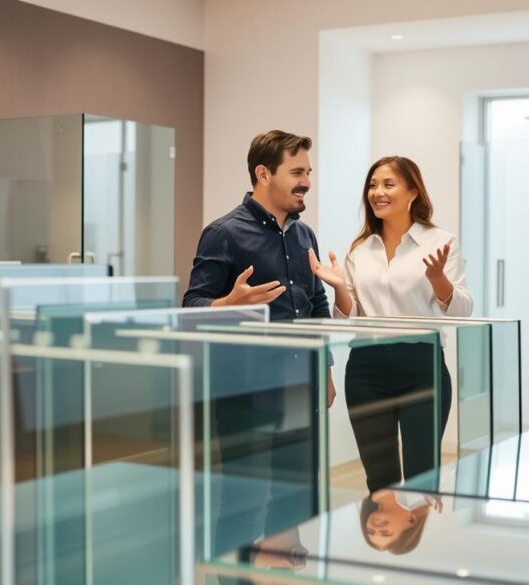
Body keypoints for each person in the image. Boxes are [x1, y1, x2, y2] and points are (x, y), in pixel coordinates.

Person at [183, 130, 334, 557]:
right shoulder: (223, 233)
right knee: (243, 501)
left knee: (295, 496)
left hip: (299, 388)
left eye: (308, 172)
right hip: (245, 391)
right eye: (297, 172)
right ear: (263, 173)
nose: (306, 181)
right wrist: (228, 303)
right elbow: (192, 304)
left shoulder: (306, 236)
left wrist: (324, 368)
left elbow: (316, 303)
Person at [310, 155, 473, 492]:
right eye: (372, 185)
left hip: (421, 367)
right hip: (366, 368)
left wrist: (438, 278)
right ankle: (381, 540)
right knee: (379, 480)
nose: (377, 192)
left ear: (413, 192)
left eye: (388, 184)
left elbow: (461, 310)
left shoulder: (441, 242)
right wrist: (339, 286)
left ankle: (417, 542)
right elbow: (349, 315)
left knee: (421, 478)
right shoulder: (360, 248)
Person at [359, 489, 442, 555]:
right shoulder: (429, 488)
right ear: (411, 518)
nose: (376, 528)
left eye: (371, 531)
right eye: (385, 532)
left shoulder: (365, 486)